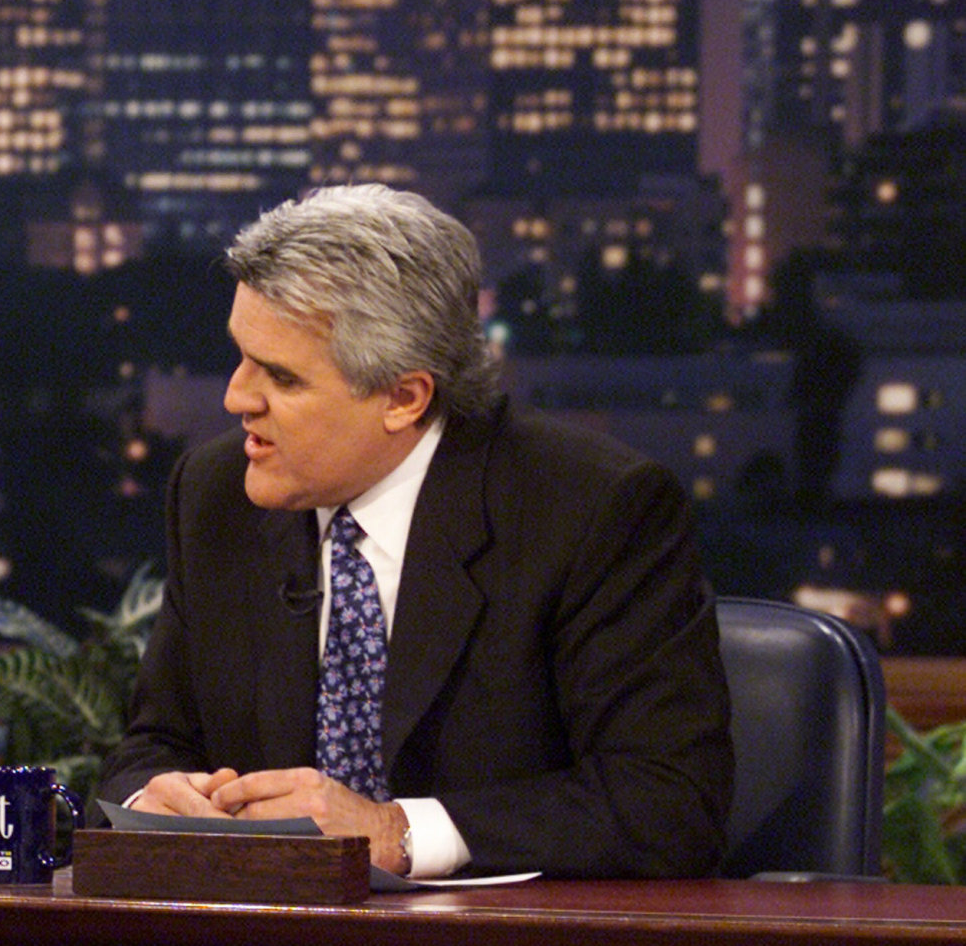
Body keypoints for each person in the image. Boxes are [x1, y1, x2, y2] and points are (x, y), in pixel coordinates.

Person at [96, 185, 732, 878]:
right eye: (242, 355)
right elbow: (154, 741)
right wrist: (154, 796)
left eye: (280, 376)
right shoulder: (216, 494)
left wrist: (394, 831)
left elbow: (668, 803)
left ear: (404, 397)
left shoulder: (592, 510)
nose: (236, 397)